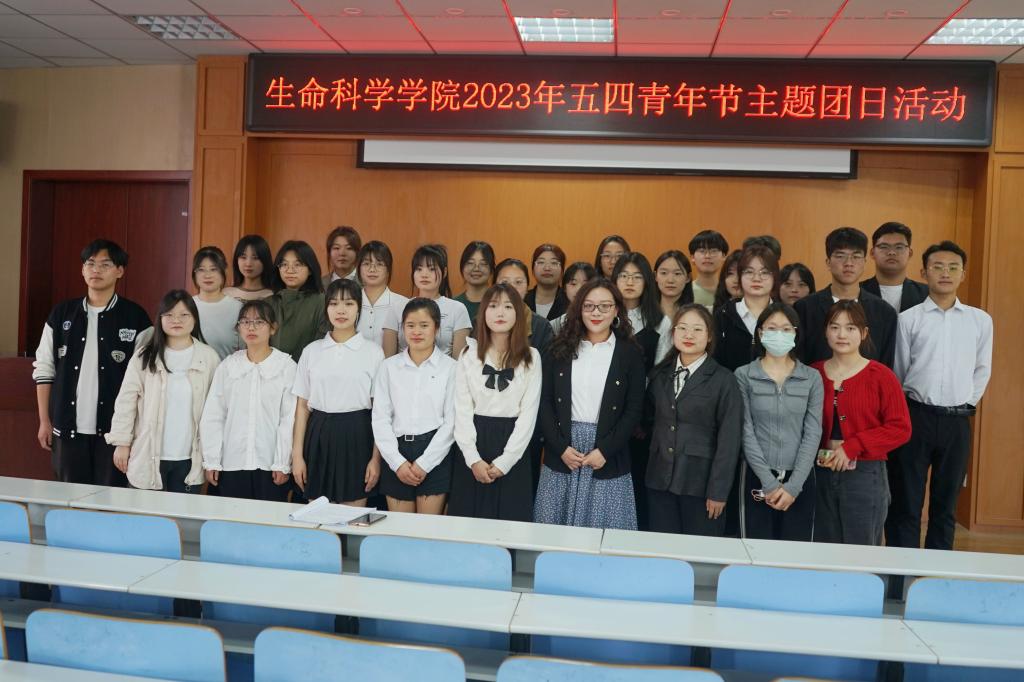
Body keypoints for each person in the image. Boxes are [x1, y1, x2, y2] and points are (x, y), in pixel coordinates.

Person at [888, 241, 992, 550]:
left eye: (953, 267)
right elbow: (899, 371)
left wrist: (966, 403)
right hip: (915, 418)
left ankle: (936, 572)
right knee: (906, 503)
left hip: (957, 423)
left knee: (946, 507)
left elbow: (982, 369)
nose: (945, 273)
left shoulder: (980, 320)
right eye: (937, 267)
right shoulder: (908, 319)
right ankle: (901, 573)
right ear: (924, 273)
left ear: (963, 274)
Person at [33, 239, 152, 486]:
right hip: (67, 428)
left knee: (111, 501)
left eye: (105, 264)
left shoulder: (136, 317)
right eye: (90, 263)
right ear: (82, 269)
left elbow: (147, 381)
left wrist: (134, 433)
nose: (96, 270)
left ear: (120, 271)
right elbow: (44, 368)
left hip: (115, 433)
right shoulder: (61, 314)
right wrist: (45, 421)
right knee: (68, 499)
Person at [535, 279, 645, 530]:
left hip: (608, 452)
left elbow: (633, 410)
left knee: (605, 535)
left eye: (605, 306)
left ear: (616, 310)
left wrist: (605, 450)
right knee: (553, 534)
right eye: (589, 306)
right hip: (563, 450)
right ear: (579, 310)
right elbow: (545, 402)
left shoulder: (629, 353)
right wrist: (561, 448)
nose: (597, 312)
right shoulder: (559, 349)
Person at [812, 300, 911, 546]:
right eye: (834, 327)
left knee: (861, 549)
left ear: (864, 333)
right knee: (823, 549)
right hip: (819, 472)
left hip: (865, 474)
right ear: (825, 331)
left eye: (851, 328)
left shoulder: (881, 376)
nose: (842, 334)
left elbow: (900, 428)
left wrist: (853, 446)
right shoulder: (812, 374)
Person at [106, 290, 220, 493]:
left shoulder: (209, 357)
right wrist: (122, 443)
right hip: (147, 453)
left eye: (184, 315)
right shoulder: (144, 356)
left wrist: (214, 456)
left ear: (195, 318)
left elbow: (217, 410)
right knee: (144, 512)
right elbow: (126, 401)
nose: (176, 320)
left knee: (183, 512)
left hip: (189, 459)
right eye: (169, 315)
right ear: (160, 319)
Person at [646, 304, 743, 536]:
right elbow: (649, 421)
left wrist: (718, 492)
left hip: (700, 484)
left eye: (697, 329)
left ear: (709, 336)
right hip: (659, 480)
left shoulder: (724, 380)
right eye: (682, 328)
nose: (689, 335)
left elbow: (729, 441)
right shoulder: (660, 375)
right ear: (673, 333)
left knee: (700, 551)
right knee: (661, 550)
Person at [450, 284, 541, 521]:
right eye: (493, 306)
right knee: (468, 523)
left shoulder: (532, 357)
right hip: (473, 442)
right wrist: (473, 459)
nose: (500, 313)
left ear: (518, 314)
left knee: (510, 524)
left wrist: (506, 461)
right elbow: (462, 410)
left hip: (514, 445)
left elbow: (529, 414)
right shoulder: (468, 355)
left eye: (508, 307)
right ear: (483, 313)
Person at [735, 303, 823, 541]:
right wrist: (769, 483)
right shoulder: (743, 375)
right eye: (772, 328)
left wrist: (793, 486)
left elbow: (813, 432)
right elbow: (745, 430)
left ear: (796, 333)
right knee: (755, 550)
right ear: (760, 332)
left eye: (786, 329)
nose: (779, 334)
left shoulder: (811, 378)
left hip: (800, 478)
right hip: (756, 475)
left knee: (796, 553)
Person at [291, 279, 384, 506]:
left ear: (359, 308)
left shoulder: (373, 352)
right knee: (317, 514)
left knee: (353, 515)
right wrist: (297, 456)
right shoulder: (311, 351)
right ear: (326, 309)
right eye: (333, 304)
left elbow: (380, 411)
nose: (341, 310)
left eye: (349, 303)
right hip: (318, 434)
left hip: (358, 435)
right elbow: (302, 408)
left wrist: (376, 459)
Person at [200, 300, 296, 501]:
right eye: (245, 322)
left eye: (259, 322)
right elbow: (214, 415)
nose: (251, 327)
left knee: (269, 518)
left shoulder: (286, 366)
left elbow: (289, 419)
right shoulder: (228, 366)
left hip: (270, 465)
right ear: (238, 328)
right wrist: (212, 460)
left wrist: (282, 462)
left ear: (273, 328)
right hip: (232, 462)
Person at [372, 298, 457, 514]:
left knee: (428, 529)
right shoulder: (388, 367)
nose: (416, 331)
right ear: (402, 328)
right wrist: (397, 462)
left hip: (435, 451)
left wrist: (425, 463)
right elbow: (380, 418)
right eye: (410, 325)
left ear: (437, 328)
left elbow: (452, 422)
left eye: (424, 325)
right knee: (399, 529)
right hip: (396, 451)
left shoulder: (451, 368)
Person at [795, 227, 897, 368]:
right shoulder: (804, 309)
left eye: (856, 256)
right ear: (828, 262)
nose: (849, 263)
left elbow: (886, 366)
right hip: (817, 381)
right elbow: (798, 362)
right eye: (840, 256)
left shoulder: (884, 312)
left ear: (864, 262)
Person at [382, 244, 472, 359]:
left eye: (431, 269)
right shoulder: (397, 307)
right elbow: (388, 358)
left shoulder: (457, 309)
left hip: (443, 369)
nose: (424, 275)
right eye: (419, 269)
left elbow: (459, 361)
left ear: (444, 272)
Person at [714, 245, 779, 372]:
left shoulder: (785, 316)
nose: (756, 278)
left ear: (775, 277)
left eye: (764, 272)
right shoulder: (723, 315)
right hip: (731, 384)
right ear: (740, 276)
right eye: (749, 272)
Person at [612, 252, 672, 373]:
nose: (630, 282)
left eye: (637, 277)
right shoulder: (604, 315)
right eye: (624, 276)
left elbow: (660, 369)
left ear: (646, 281)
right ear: (615, 279)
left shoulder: (661, 322)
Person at [268, 240, 327, 362]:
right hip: (271, 370)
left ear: (310, 269)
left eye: (298, 264)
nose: (290, 270)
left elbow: (322, 345)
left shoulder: (322, 302)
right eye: (284, 264)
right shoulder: (268, 303)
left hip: (308, 369)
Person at [861, 221, 929, 313]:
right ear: (872, 253)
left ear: (910, 253)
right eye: (884, 247)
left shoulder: (927, 294)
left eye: (899, 247)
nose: (891, 252)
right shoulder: (857, 291)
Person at [494, 258, 554, 357]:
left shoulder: (542, 327)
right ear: (494, 287)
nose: (512, 288)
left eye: (518, 282)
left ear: (527, 288)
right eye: (505, 283)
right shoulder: (480, 321)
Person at [191, 246, 242, 360]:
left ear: (224, 271)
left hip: (228, 370)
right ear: (194, 274)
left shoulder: (238, 308)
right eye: (201, 269)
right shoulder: (186, 306)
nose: (207, 275)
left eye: (213, 269)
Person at [355, 240, 408, 348]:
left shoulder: (403, 304)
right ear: (359, 268)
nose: (372, 269)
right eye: (366, 264)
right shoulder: (350, 302)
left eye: (379, 264)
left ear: (388, 269)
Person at [525, 243, 569, 321]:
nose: (547, 268)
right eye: (541, 262)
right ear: (533, 269)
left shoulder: (570, 302)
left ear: (562, 270)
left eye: (554, 263)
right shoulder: (522, 300)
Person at [550, 262, 597, 335]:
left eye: (585, 284)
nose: (579, 289)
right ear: (564, 288)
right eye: (573, 284)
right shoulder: (555, 325)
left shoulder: (602, 318)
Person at [223, 235, 275, 301]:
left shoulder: (273, 296)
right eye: (243, 257)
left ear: (265, 260)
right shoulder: (225, 294)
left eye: (255, 258)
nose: (248, 264)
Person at [454, 241, 495, 323]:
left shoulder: (499, 302)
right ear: (462, 267)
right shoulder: (454, 305)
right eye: (470, 263)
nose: (476, 269)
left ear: (491, 269)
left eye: (483, 263)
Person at [688, 230, 730, 310]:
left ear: (724, 256)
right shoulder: (685, 292)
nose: (707, 256)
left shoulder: (730, 291)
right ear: (692, 257)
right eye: (702, 251)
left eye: (713, 251)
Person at [654, 249, 694, 320]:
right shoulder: (644, 312)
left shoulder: (695, 314)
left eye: (677, 273)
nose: (670, 280)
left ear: (688, 277)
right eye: (664, 273)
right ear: (655, 276)